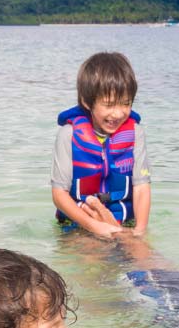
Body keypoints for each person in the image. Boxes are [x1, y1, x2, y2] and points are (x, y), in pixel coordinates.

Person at [51, 51, 152, 237]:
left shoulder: (135, 133)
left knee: (143, 257)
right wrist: (93, 226)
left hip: (124, 224)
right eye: (109, 104)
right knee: (93, 258)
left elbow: (141, 187)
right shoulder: (69, 135)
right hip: (79, 226)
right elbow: (59, 194)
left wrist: (140, 231)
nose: (118, 113)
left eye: (126, 103)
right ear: (86, 102)